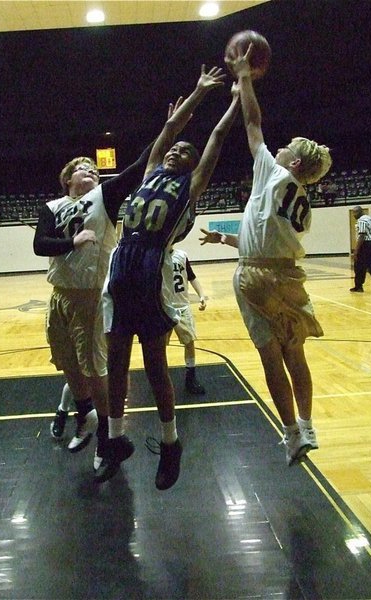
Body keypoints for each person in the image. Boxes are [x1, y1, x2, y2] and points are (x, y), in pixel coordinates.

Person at [98, 65, 240, 490]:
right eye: (175, 148)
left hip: (150, 267)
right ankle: (117, 438)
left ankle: (171, 442)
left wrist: (233, 102)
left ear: (194, 165)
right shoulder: (149, 172)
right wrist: (198, 92)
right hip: (121, 265)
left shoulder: (191, 185)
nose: (178, 151)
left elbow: (213, 140)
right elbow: (171, 126)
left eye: (185, 152)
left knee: (155, 361)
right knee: (116, 359)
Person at [200, 47, 331, 467]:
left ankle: (291, 433)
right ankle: (308, 425)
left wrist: (244, 77)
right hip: (288, 277)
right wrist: (226, 242)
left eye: (286, 148)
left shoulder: (275, 174)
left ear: (292, 161)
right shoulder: (304, 203)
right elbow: (267, 242)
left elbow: (252, 123)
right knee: (297, 353)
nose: (278, 149)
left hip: (256, 279)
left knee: (270, 356)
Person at [33, 142, 152, 472]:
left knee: (95, 368)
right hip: (60, 295)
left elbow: (139, 165)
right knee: (67, 363)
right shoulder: (53, 206)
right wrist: (72, 241)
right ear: (68, 178)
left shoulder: (105, 197)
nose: (91, 172)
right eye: (83, 169)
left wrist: (170, 128)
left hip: (91, 295)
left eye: (96, 171)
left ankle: (106, 435)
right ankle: (84, 413)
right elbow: (40, 244)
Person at [164, 247, 208, 395]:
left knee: (189, 342)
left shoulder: (182, 255)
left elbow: (191, 276)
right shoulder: (157, 256)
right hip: (165, 306)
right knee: (160, 345)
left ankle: (191, 378)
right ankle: (160, 377)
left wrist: (202, 294)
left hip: (182, 306)